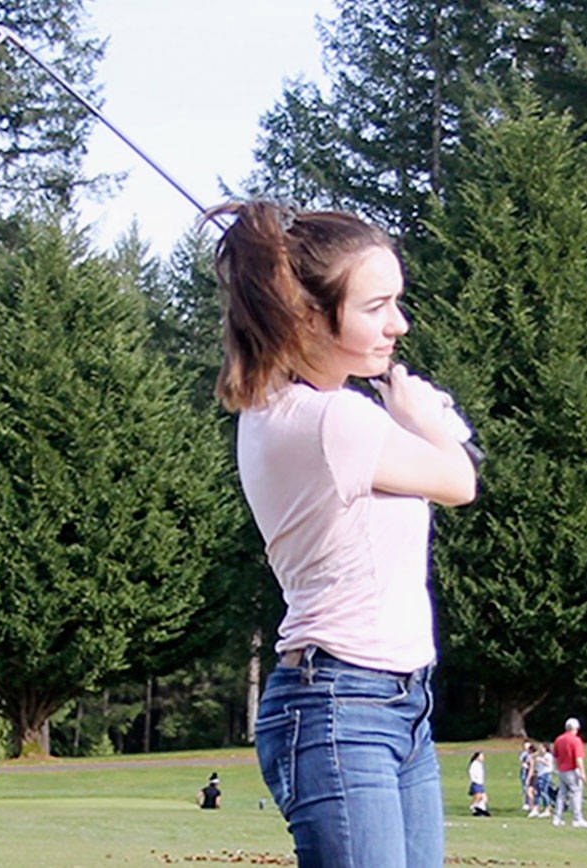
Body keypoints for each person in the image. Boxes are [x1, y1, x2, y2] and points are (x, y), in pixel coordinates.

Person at [211, 201, 478, 868]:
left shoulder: (302, 408)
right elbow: (458, 480)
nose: (399, 324)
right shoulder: (334, 422)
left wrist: (412, 420)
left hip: (394, 702)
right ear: (308, 315)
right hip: (342, 704)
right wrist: (424, 416)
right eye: (376, 306)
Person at [552, 718, 587, 828]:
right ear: (575, 728)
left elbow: (555, 757)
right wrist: (583, 773)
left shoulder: (558, 739)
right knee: (576, 793)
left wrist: (557, 768)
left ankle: (557, 818)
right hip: (572, 770)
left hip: (562, 770)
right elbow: (579, 758)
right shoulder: (576, 740)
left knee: (562, 794)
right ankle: (577, 819)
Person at [528, 742, 553, 819]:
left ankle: (547, 809)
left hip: (545, 775)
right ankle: (536, 808)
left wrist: (541, 760)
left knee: (544, 792)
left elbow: (548, 764)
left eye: (542, 748)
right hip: (540, 774)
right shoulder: (543, 756)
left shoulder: (548, 756)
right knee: (537, 792)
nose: (540, 749)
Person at [468, 751, 491, 816]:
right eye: (481, 756)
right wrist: (475, 781)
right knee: (479, 797)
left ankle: (481, 810)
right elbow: (472, 773)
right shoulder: (474, 764)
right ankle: (473, 807)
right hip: (477, 783)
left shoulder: (480, 764)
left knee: (484, 798)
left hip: (480, 783)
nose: (483, 758)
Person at [518, 741, 533, 810]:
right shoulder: (523, 754)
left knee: (530, 789)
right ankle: (526, 803)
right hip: (524, 772)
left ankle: (531, 803)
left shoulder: (532, 754)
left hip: (530, 772)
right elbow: (522, 762)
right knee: (525, 788)